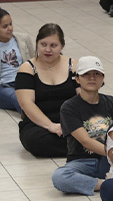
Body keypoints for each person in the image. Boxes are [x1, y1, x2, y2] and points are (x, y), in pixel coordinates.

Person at [52, 56, 113, 196]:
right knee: (60, 177)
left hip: (111, 160)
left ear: (103, 78)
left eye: (97, 74)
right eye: (86, 74)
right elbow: (86, 141)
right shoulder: (69, 107)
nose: (92, 78)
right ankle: (107, 184)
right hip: (83, 161)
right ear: (77, 79)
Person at [15, 23, 78, 158]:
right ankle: (82, 147)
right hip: (39, 125)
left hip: (70, 122)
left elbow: (84, 98)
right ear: (37, 44)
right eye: (43, 45)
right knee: (37, 142)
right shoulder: (27, 69)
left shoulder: (74, 66)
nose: (47, 50)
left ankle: (81, 145)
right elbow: (27, 104)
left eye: (53, 45)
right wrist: (51, 126)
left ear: (62, 46)